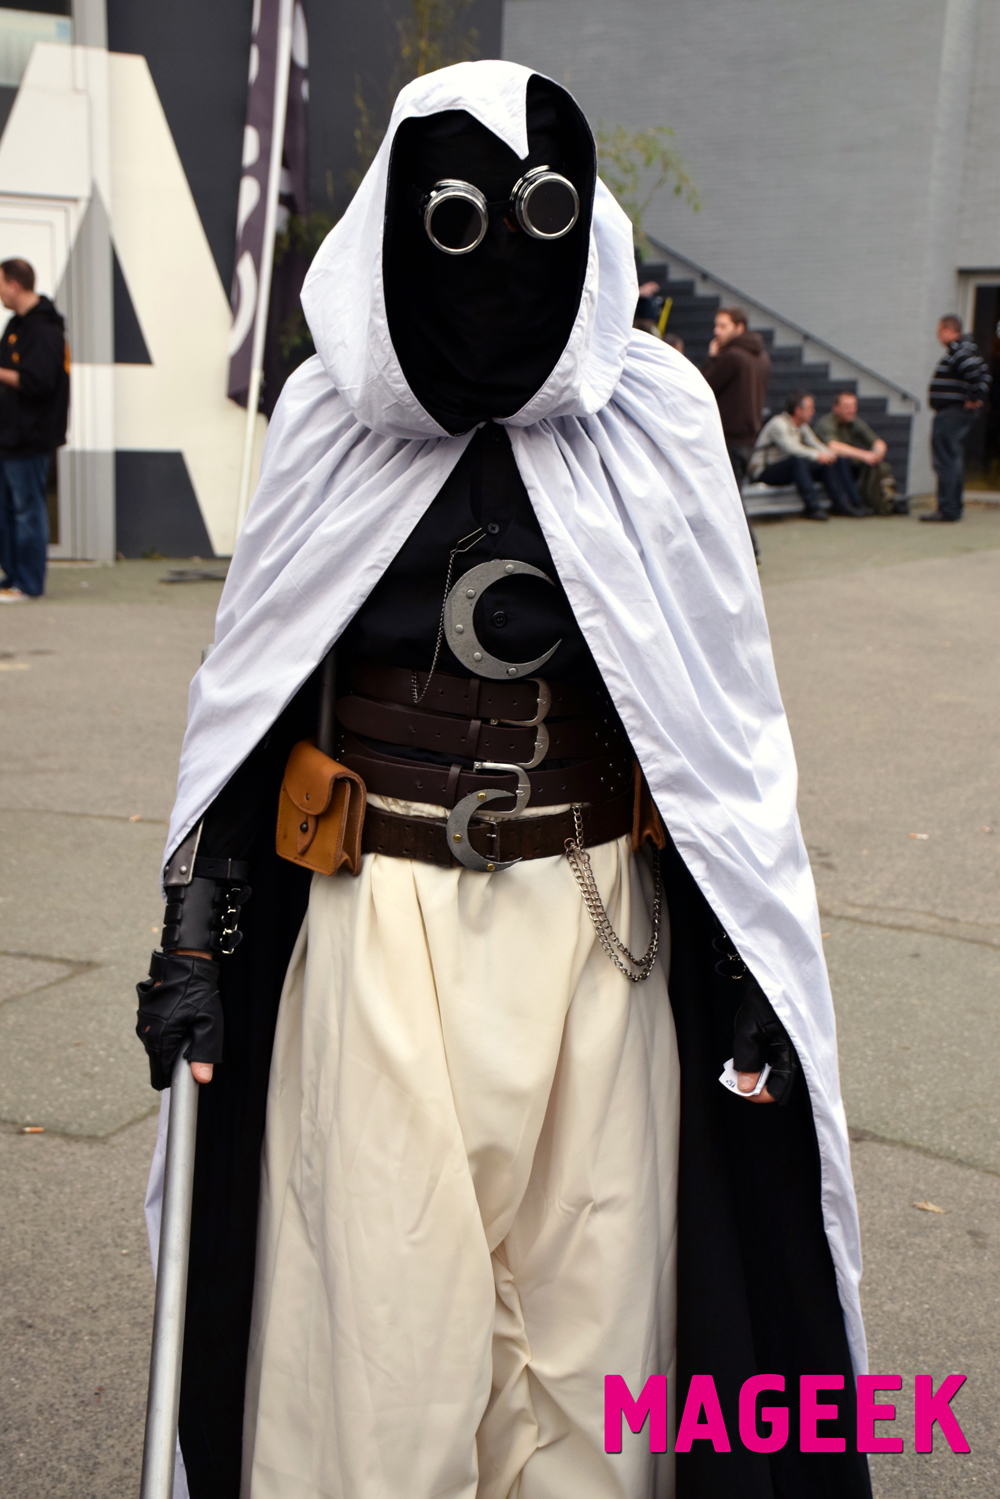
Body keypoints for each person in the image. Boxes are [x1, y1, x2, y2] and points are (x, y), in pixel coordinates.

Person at [137, 62, 871, 1499]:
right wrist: (195, 940)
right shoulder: (331, 420)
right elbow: (249, 699)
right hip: (377, 923)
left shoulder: (651, 420)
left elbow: (714, 720)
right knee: (384, 1334)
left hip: (602, 927)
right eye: (460, 222)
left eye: (539, 217)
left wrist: (747, 969)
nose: (500, 265)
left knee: (598, 1337)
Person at [0, 258, 69, 602]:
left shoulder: (45, 330)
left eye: (1, 285)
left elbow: (39, 381)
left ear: (14, 285)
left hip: (31, 437)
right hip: (9, 436)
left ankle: (28, 584)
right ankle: (13, 576)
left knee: (28, 511)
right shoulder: (16, 325)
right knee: (8, 511)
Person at [702, 306, 771, 556]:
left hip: (728, 438)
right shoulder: (761, 358)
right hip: (747, 438)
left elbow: (702, 386)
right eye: (716, 325)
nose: (716, 331)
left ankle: (749, 552)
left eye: (723, 326)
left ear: (739, 328)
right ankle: (746, 552)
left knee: (728, 498)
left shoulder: (731, 357)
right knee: (731, 496)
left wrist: (712, 358)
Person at [750, 390, 870, 519]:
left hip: (788, 467)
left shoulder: (802, 426)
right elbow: (793, 448)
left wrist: (829, 455)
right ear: (798, 411)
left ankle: (845, 503)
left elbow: (815, 443)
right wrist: (818, 455)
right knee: (798, 461)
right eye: (810, 408)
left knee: (828, 463)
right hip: (764, 470)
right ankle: (813, 508)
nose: (813, 411)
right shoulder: (778, 424)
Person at [922, 314, 992, 522]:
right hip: (956, 412)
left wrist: (975, 397)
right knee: (952, 458)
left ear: (949, 330)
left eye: (939, 331)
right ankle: (953, 506)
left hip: (951, 413)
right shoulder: (968, 349)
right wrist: (978, 396)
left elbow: (977, 375)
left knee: (945, 459)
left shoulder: (959, 350)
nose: (938, 336)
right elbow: (985, 375)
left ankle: (948, 509)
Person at [815, 390, 900, 514]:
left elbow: (878, 442)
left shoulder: (854, 421)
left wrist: (876, 454)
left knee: (879, 464)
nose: (851, 410)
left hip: (849, 465)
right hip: (827, 466)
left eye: (853, 406)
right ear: (836, 408)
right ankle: (855, 502)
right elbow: (834, 447)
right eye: (847, 407)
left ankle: (885, 501)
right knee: (842, 460)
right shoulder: (826, 423)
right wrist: (865, 455)